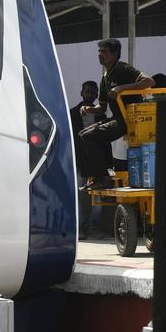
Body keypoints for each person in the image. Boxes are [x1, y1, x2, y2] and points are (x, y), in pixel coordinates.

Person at [77, 38, 154, 189]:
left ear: (115, 54)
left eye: (104, 52)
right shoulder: (105, 77)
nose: (100, 54)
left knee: (88, 137)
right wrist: (89, 109)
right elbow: (102, 107)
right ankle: (101, 176)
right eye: (99, 51)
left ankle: (103, 179)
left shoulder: (123, 68)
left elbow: (149, 81)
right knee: (82, 135)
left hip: (129, 119)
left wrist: (121, 88)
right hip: (117, 118)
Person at [70, 81, 106, 236]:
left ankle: (93, 226)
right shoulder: (72, 114)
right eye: (87, 92)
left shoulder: (101, 115)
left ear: (97, 95)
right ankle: (80, 228)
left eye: (93, 92)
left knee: (98, 196)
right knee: (79, 195)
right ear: (81, 93)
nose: (90, 95)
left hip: (97, 161)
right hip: (80, 161)